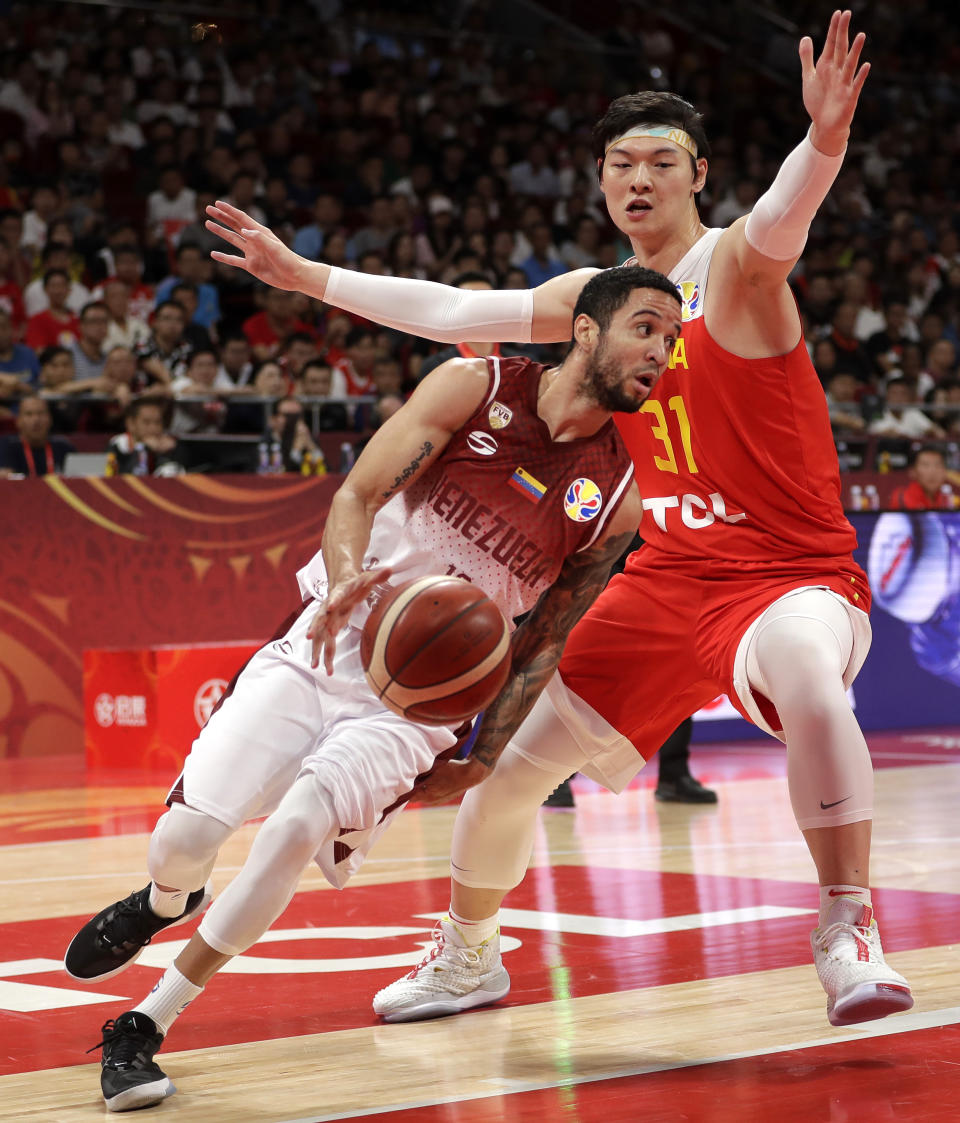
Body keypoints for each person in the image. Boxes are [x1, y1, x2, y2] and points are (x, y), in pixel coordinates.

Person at [204, 12, 912, 1033]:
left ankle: (845, 928)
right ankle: (468, 957)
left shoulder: (740, 271)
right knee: (505, 773)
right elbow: (453, 312)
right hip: (665, 580)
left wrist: (827, 142)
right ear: (599, 180)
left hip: (787, 575)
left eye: (660, 163)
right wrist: (307, 277)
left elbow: (783, 219)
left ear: (697, 175)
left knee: (805, 669)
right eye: (619, 163)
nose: (638, 180)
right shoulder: (596, 299)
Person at [65, 267, 676, 1111]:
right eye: (646, 329)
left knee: (292, 831)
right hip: (330, 637)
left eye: (671, 341)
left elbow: (547, 630)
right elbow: (356, 492)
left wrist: (482, 751)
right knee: (188, 833)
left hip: (419, 707)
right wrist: (349, 579)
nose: (662, 352)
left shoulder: (615, 494)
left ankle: (146, 1020)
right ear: (584, 330)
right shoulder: (474, 385)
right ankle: (168, 895)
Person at [0, 393, 74, 476]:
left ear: (50, 419)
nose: (36, 420)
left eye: (41, 413)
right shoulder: (6, 445)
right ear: (18, 421)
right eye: (29, 414)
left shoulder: (63, 446)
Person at [106, 397, 182, 476]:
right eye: (146, 422)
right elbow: (125, 475)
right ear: (130, 424)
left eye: (158, 422)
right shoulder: (117, 445)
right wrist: (143, 448)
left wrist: (167, 452)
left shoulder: (172, 445)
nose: (153, 428)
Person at [890, 446, 959, 510]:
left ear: (945, 472)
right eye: (925, 465)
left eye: (938, 465)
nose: (932, 472)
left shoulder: (949, 500)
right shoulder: (902, 498)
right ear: (913, 471)